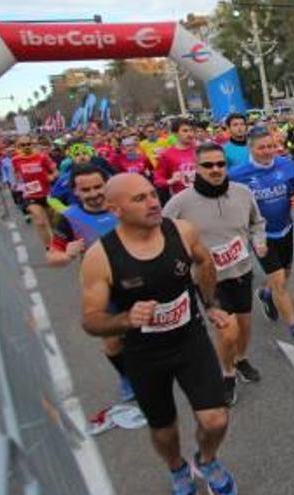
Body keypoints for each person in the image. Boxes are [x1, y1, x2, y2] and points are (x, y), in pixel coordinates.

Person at [80, 173, 237, 495]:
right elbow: (91, 320)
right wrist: (124, 319)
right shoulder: (100, 256)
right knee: (164, 431)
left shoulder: (181, 231)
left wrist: (211, 303)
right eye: (139, 199)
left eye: (153, 194)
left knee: (216, 421)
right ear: (114, 209)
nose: (153, 202)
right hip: (144, 353)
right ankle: (177, 468)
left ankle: (207, 460)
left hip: (190, 340)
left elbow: (204, 262)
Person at [163, 142, 267, 406]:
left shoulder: (243, 193)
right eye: (208, 165)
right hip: (209, 279)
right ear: (196, 168)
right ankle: (227, 374)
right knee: (227, 331)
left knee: (244, 327)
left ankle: (240, 360)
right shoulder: (180, 203)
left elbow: (257, 222)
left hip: (241, 270)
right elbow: (162, 234)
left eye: (220, 164)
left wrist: (259, 239)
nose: (215, 169)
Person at [45, 164, 133, 402]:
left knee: (146, 331)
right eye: (86, 190)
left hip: (136, 280)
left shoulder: (123, 206)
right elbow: (52, 258)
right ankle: (126, 378)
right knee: (112, 341)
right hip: (100, 288)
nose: (94, 193)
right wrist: (67, 254)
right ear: (75, 191)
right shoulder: (69, 218)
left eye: (98, 186)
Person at [231, 126, 294, 350]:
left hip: (285, 229)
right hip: (261, 236)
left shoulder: (286, 164)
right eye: (261, 148)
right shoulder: (237, 175)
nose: (267, 151)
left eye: (271, 146)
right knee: (280, 283)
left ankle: (265, 294)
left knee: (284, 276)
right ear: (251, 148)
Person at [12, 135, 58, 248]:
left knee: (53, 222)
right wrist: (18, 185)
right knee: (40, 222)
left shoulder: (42, 157)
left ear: (32, 145)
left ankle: (58, 241)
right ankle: (49, 247)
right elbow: (16, 174)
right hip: (30, 195)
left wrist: (52, 177)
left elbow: (55, 171)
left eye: (28, 144)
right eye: (23, 145)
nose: (26, 147)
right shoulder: (16, 160)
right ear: (18, 147)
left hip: (47, 193)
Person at [155, 118, 199, 204]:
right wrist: (171, 181)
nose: (190, 134)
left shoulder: (200, 150)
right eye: (185, 131)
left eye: (191, 130)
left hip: (202, 195)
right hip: (181, 200)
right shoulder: (167, 155)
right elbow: (158, 180)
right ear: (175, 134)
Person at [222, 113, 250, 179]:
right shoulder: (223, 150)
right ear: (228, 128)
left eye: (242, 124)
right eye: (235, 125)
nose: (239, 127)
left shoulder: (256, 146)